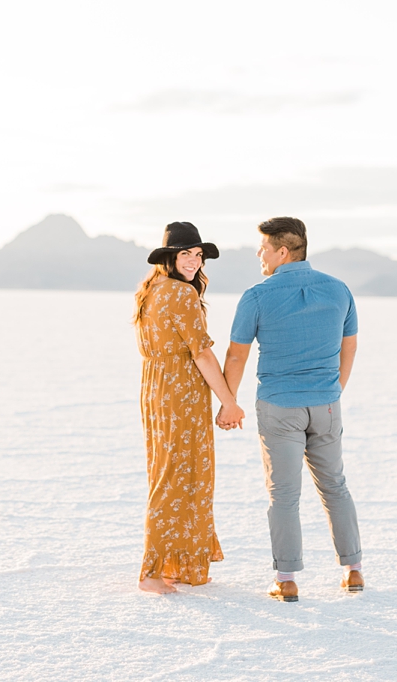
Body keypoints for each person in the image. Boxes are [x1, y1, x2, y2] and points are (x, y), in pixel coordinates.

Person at [218, 216, 363, 602]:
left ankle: (286, 580)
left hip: (280, 407)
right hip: (326, 404)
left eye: (263, 248)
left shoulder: (257, 296)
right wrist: (333, 392)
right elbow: (349, 347)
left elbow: (236, 356)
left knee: (283, 495)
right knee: (335, 486)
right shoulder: (338, 290)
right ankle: (353, 572)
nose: (258, 255)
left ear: (282, 251)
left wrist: (228, 402)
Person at [133, 221, 245, 594]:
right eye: (186, 254)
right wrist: (229, 401)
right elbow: (202, 353)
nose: (195, 261)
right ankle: (152, 572)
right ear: (169, 257)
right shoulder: (180, 294)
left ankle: (176, 564)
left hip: (157, 388)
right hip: (180, 391)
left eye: (198, 255)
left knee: (172, 472)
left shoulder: (151, 290)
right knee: (178, 476)